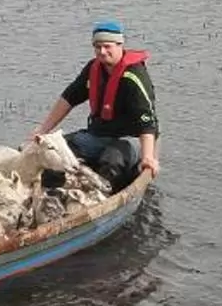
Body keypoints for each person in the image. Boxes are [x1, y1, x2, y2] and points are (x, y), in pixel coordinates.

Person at [36, 18, 159, 193]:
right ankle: (53, 194)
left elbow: (147, 123)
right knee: (55, 154)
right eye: (98, 47)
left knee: (111, 162)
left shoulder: (134, 77)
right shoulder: (93, 68)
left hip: (129, 139)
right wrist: (43, 130)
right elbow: (69, 98)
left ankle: (103, 198)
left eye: (107, 46)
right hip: (97, 135)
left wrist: (148, 157)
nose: (102, 52)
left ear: (119, 45)